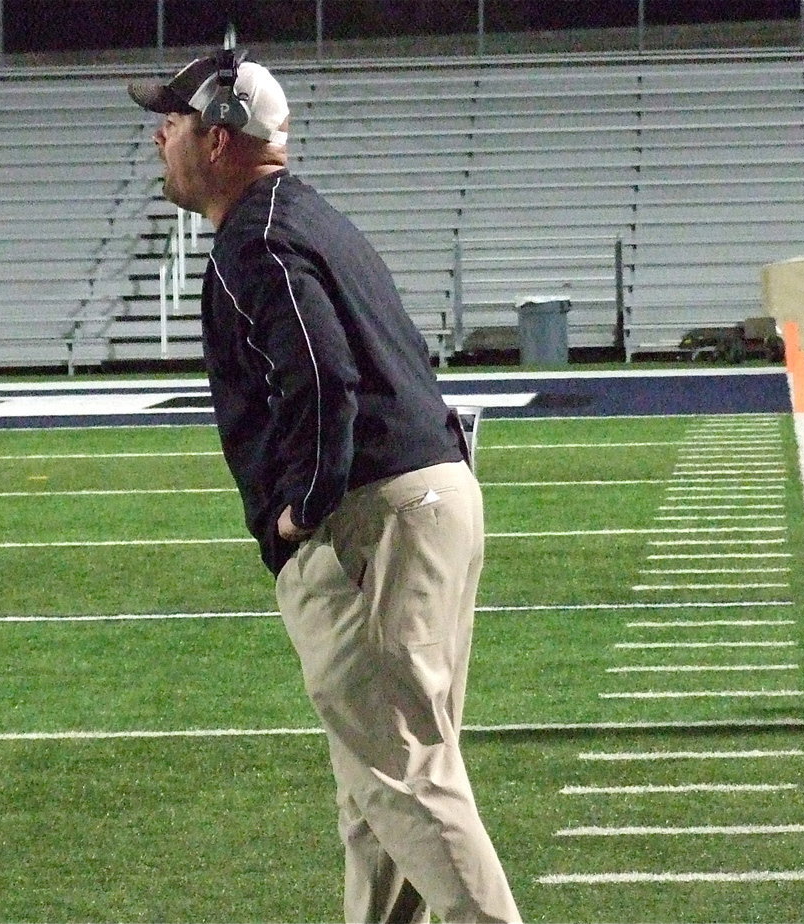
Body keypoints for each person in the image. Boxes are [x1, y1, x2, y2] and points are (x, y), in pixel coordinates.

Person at [128, 51, 522, 924]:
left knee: (403, 778)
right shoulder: (306, 218)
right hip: (430, 494)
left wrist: (300, 504)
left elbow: (322, 373)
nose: (159, 135)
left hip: (373, 517)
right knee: (379, 798)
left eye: (173, 120)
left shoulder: (255, 239)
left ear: (219, 137)